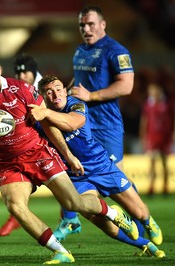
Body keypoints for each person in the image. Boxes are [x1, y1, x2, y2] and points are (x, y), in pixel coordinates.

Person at [0, 51, 138, 264]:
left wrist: (68, 154)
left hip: (38, 152)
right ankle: (60, 252)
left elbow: (46, 122)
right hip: (10, 161)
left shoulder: (21, 90)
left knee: (74, 203)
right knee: (15, 206)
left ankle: (113, 214)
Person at [31, 75, 165, 258]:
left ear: (64, 90)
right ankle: (144, 243)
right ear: (43, 97)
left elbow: (73, 123)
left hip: (101, 166)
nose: (56, 94)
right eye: (49, 92)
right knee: (104, 223)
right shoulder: (40, 120)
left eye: (59, 89)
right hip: (76, 176)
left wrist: (45, 113)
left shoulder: (76, 104)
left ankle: (148, 222)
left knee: (139, 211)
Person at [60, 5, 140, 240]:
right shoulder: (79, 51)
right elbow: (79, 81)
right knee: (74, 172)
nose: (86, 29)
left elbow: (126, 85)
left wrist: (91, 96)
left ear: (103, 24)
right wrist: (66, 93)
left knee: (117, 178)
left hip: (106, 125)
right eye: (82, 25)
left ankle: (142, 222)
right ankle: (71, 219)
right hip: (83, 125)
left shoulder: (116, 51)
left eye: (91, 24)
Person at [0, 54, 82, 238]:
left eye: (24, 72)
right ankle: (67, 217)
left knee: (63, 174)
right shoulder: (17, 88)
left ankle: (71, 218)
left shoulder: (44, 88)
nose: (20, 76)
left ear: (33, 71)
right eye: (18, 72)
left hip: (56, 134)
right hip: (36, 138)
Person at [140, 83, 175, 195]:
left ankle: (165, 186)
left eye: (153, 91)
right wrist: (143, 135)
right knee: (152, 163)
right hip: (153, 137)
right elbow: (144, 120)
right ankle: (151, 186)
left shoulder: (167, 104)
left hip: (164, 137)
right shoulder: (148, 105)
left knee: (164, 162)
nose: (151, 94)